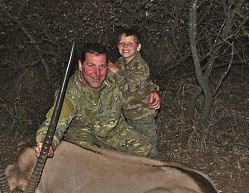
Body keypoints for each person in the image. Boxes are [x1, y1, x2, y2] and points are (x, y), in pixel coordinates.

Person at [35, 43, 158, 158]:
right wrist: (45, 143)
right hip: (84, 135)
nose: (97, 73)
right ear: (80, 66)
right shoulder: (70, 92)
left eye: (102, 66)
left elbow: (139, 82)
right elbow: (54, 123)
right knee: (90, 160)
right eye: (91, 66)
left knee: (144, 148)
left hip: (114, 130)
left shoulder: (113, 76)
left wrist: (153, 90)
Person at [108, 28, 160, 158]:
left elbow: (128, 86)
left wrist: (115, 72)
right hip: (128, 114)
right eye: (122, 43)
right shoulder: (120, 62)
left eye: (130, 43)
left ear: (138, 47)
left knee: (150, 149)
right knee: (135, 148)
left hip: (143, 114)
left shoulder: (140, 65)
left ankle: (157, 172)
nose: (125, 46)